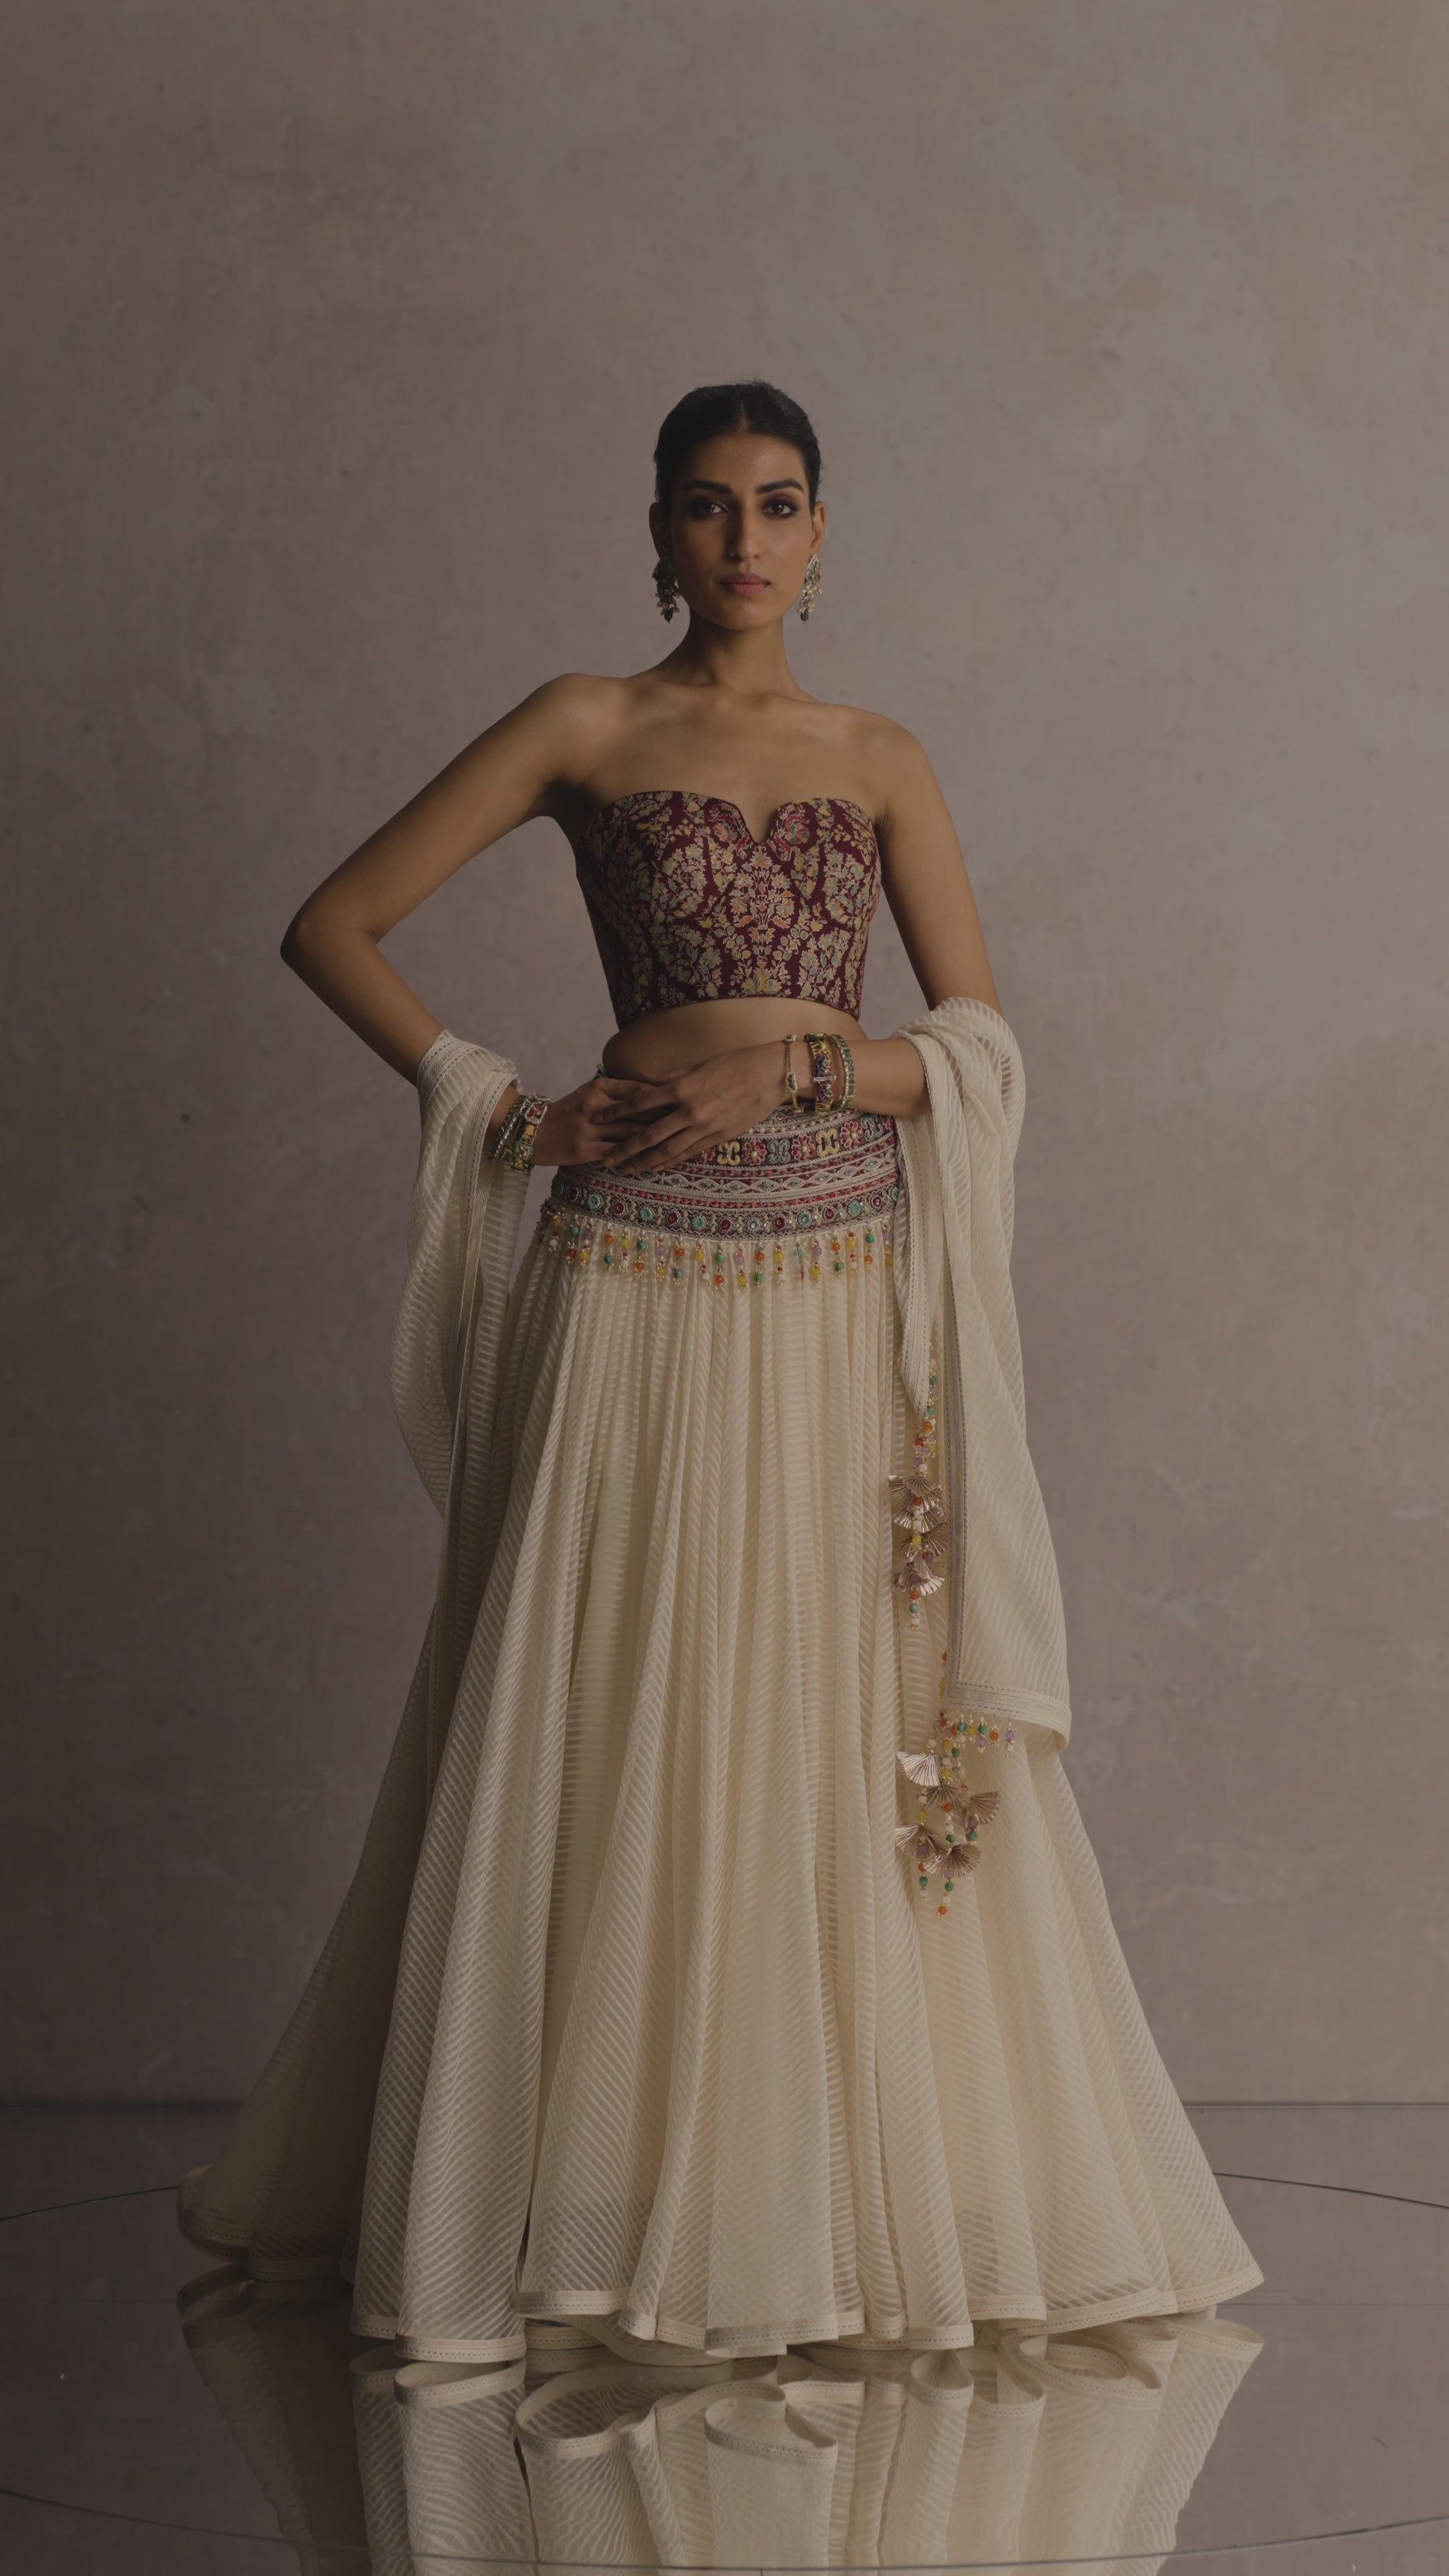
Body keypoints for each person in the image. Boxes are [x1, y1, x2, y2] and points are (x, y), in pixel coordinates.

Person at [178, 380, 1260, 2364]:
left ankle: (827, 2199)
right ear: (658, 532)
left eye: (777, 504)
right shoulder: (587, 723)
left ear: (824, 534)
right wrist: (510, 1111)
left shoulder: (881, 756)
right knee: (619, 1693)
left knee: (828, 1703)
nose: (743, 540)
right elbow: (334, 924)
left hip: (844, 1279)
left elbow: (983, 1050)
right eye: (706, 505)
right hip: (633, 1281)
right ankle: (574, 2192)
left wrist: (806, 1064)